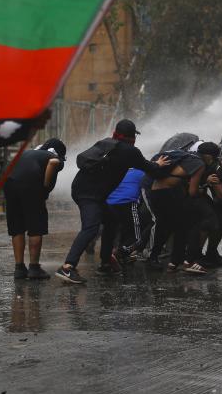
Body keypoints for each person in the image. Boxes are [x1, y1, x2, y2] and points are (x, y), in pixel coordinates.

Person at [56, 119, 169, 284]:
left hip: (82, 189)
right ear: (132, 136)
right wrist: (158, 164)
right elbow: (150, 168)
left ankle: (105, 263)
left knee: (111, 221)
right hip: (89, 195)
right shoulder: (131, 151)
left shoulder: (105, 143)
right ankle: (67, 267)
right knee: (91, 227)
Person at [3, 139, 66, 279]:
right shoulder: (54, 157)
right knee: (35, 226)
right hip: (30, 185)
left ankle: (19, 268)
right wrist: (45, 186)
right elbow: (54, 163)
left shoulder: (30, 153)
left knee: (17, 227)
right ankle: (34, 268)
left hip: (9, 182)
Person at [147, 150, 206, 274]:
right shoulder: (199, 163)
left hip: (154, 192)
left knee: (167, 226)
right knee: (188, 225)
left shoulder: (182, 157)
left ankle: (162, 259)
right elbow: (192, 192)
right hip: (168, 193)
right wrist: (202, 190)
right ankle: (183, 262)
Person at [99, 167, 145, 274]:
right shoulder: (141, 172)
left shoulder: (116, 171)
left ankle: (106, 260)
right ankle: (118, 253)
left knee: (112, 232)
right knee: (137, 238)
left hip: (109, 203)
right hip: (128, 202)